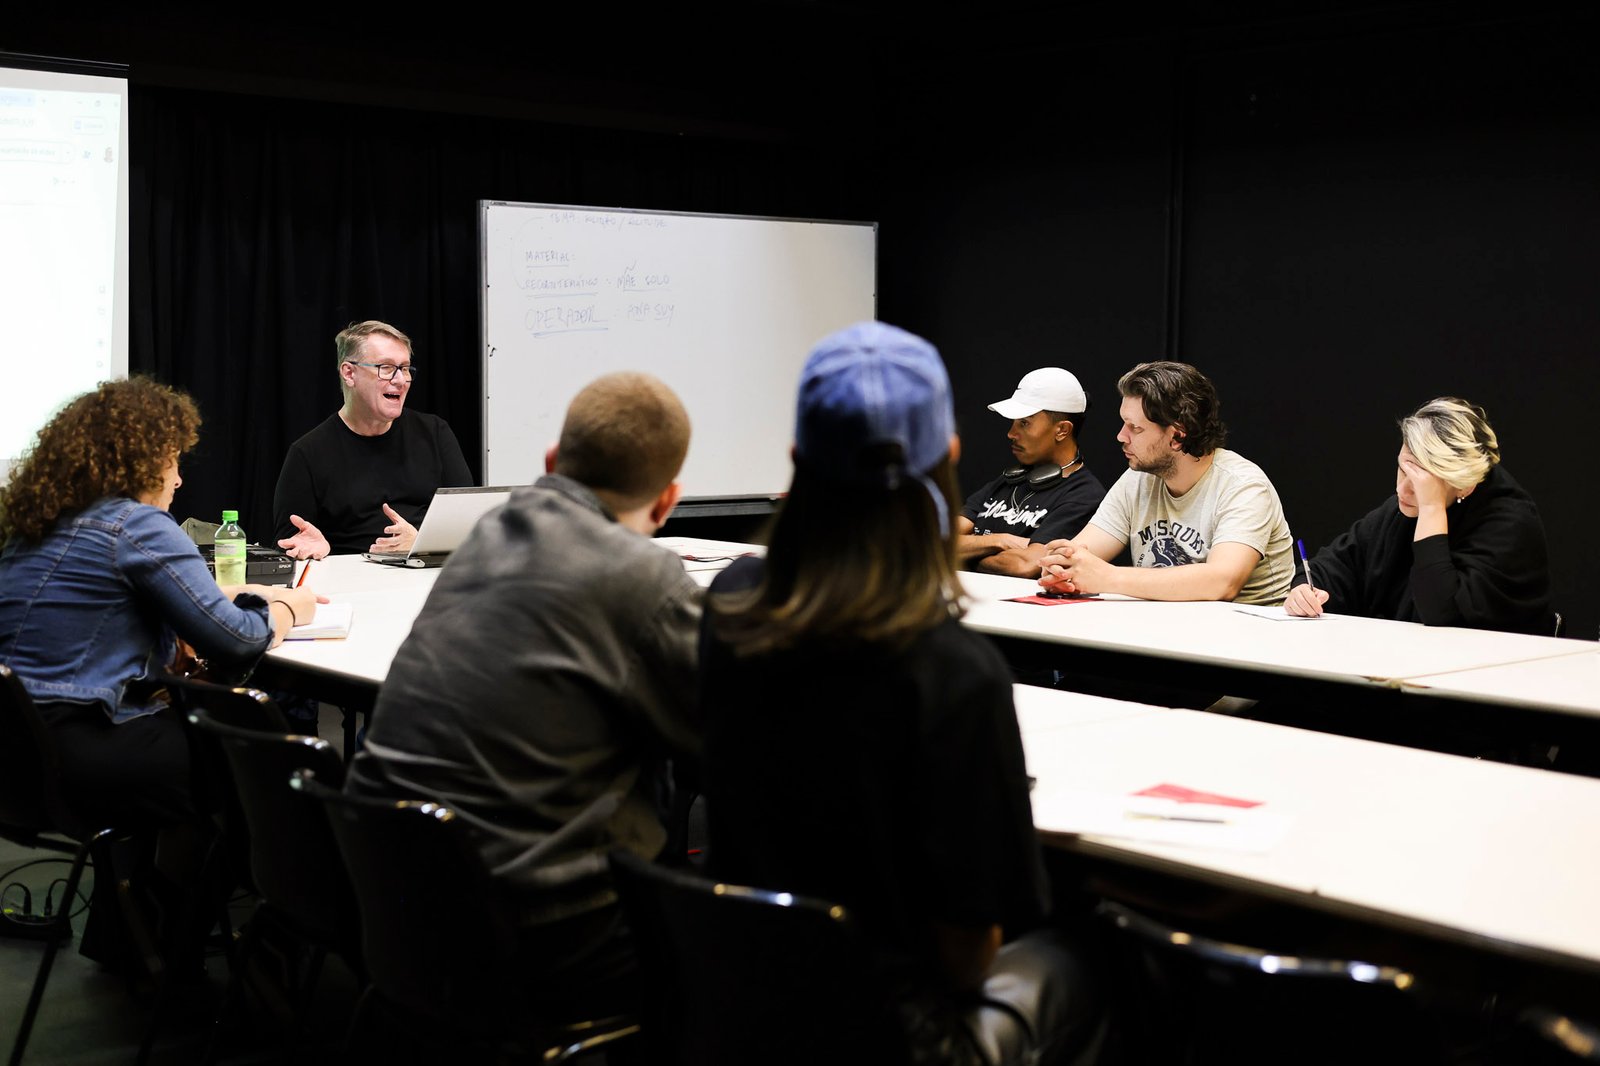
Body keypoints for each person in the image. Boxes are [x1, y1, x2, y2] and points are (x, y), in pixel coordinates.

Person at [702, 322, 1107, 1066]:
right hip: (890, 1034)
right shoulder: (954, 670)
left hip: (733, 998)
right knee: (1100, 956)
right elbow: (967, 956)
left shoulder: (731, 603)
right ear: (946, 458)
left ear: (796, 457)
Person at [344, 371, 700, 1019]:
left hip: (391, 909)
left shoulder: (484, 537)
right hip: (529, 941)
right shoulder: (643, 574)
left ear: (552, 462)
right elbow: (721, 733)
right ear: (668, 500)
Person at [0, 377, 321, 965]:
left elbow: (93, 623)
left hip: (18, 761)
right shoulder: (137, 525)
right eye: (172, 460)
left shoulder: (34, 526)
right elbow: (236, 641)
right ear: (140, 459)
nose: (178, 479)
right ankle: (231, 943)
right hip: (84, 753)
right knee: (266, 773)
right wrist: (287, 608)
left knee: (196, 744)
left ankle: (135, 937)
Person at [1285, 397, 1552, 633]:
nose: (1402, 489)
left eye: (1421, 481)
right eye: (1403, 469)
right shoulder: (1400, 509)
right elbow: (1335, 565)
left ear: (1464, 485)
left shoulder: (1510, 524)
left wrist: (1431, 508)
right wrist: (1304, 591)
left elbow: (1441, 612)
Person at [1038, 360, 1292, 604]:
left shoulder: (1243, 486)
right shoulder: (1137, 479)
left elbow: (1223, 581)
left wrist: (1108, 577)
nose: (1121, 436)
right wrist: (1061, 568)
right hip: (1169, 624)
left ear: (1177, 436)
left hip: (1247, 628)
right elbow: (1081, 551)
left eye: (1135, 428)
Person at [273, 319, 472, 558]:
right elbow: (288, 545)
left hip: (426, 572)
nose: (400, 380)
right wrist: (315, 550)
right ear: (349, 373)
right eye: (386, 368)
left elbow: (467, 523)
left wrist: (420, 543)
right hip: (349, 575)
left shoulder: (435, 433)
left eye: (405, 368)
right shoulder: (308, 454)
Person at [958, 367, 1106, 577]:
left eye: (1024, 423)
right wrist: (1000, 541)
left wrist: (964, 552)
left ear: (1062, 430)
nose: (1011, 433)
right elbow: (936, 542)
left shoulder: (1084, 494)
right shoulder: (1006, 482)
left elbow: (1026, 565)